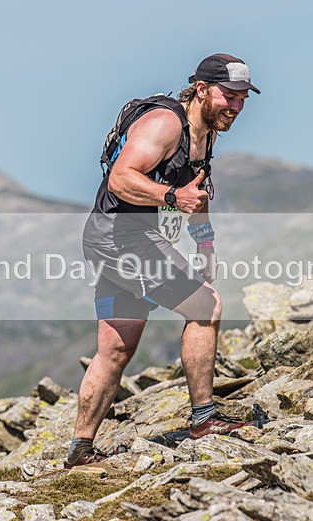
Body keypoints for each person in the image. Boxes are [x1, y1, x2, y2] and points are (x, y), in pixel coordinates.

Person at [68, 54, 261, 468]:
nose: (236, 107)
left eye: (243, 99)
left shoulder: (205, 134)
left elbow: (198, 190)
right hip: (122, 239)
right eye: (229, 96)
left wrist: (204, 242)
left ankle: (80, 451)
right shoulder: (165, 123)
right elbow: (121, 178)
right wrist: (172, 198)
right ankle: (204, 420)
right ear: (202, 89)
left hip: (117, 240)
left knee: (116, 348)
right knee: (205, 306)